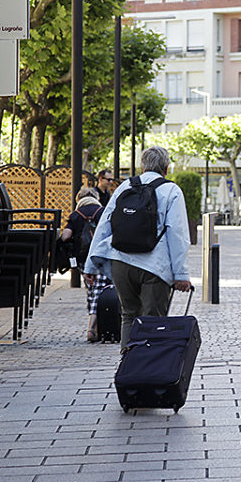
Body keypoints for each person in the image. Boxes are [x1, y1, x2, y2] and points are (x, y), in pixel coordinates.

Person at [84, 146, 192, 349]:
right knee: (153, 320)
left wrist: (91, 265)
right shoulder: (171, 190)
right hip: (154, 266)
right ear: (166, 168)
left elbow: (104, 225)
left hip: (121, 262)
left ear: (142, 166)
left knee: (129, 316)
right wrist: (180, 274)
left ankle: (127, 366)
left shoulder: (125, 187)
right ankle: (149, 371)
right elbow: (177, 234)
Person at [61, 187, 108, 342]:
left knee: (91, 289)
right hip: (99, 256)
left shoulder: (75, 215)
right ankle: (93, 326)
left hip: (82, 258)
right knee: (98, 289)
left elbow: (65, 236)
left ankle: (93, 326)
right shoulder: (102, 212)